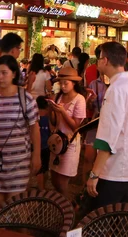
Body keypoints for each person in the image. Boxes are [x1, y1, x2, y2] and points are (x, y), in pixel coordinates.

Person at [0, 55, 41, 210]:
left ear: (14, 74)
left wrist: (36, 155)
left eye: (4, 73)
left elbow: (34, 129)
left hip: (19, 162)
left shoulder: (26, 98)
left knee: (16, 209)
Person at [87, 42, 128, 209]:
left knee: (103, 222)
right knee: (122, 223)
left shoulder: (116, 89)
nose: (97, 63)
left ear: (105, 60)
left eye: (98, 59)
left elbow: (107, 136)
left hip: (114, 172)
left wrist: (94, 173)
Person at [47, 66, 87, 199]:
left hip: (69, 143)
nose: (63, 86)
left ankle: (67, 208)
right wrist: (52, 109)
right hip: (57, 142)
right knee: (54, 179)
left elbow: (76, 126)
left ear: (74, 83)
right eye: (61, 83)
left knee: (62, 182)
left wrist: (63, 112)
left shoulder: (79, 99)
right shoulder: (59, 97)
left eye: (66, 83)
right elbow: (53, 121)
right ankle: (66, 206)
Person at [35, 96, 51, 190]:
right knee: (45, 168)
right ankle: (43, 187)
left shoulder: (35, 116)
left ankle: (41, 188)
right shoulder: (48, 117)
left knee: (39, 170)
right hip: (47, 146)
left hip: (38, 146)